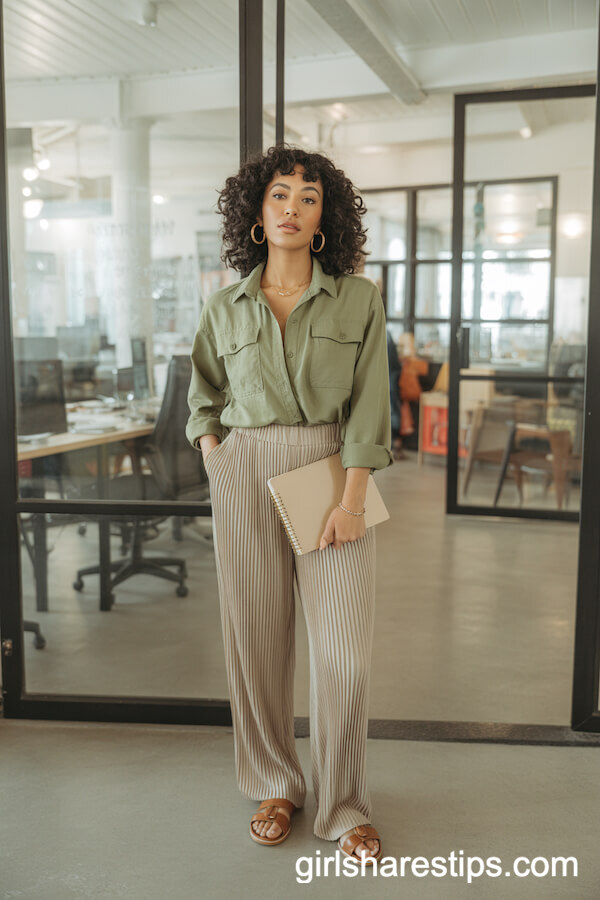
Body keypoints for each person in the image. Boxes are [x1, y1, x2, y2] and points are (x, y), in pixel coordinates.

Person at [186, 144, 393, 865]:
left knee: (343, 654)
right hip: (244, 466)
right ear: (256, 213)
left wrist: (354, 496)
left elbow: (372, 404)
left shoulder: (359, 299)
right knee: (257, 641)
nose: (293, 209)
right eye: (280, 195)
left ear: (325, 218)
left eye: (309, 198)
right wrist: (216, 451)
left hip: (330, 466)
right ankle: (276, 782)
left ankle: (344, 806)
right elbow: (202, 395)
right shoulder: (223, 306)